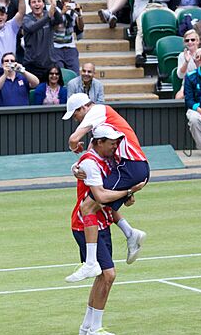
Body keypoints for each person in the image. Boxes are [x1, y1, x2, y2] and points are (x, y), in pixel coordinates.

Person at [69, 125, 145, 335]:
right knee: (109, 275)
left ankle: (87, 326)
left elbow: (113, 197)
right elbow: (101, 197)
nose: (115, 145)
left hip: (103, 223)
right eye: (111, 142)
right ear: (98, 142)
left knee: (102, 276)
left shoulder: (109, 159)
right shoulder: (91, 163)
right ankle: (95, 331)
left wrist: (126, 196)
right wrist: (130, 191)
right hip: (85, 225)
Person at [62, 93, 150, 281]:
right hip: (129, 166)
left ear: (83, 108)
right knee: (103, 202)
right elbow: (95, 158)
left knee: (88, 206)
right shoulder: (102, 127)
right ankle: (130, 233)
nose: (76, 119)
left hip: (131, 166)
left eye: (75, 115)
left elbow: (73, 138)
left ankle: (91, 263)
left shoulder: (98, 111)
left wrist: (74, 147)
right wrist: (76, 167)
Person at [23, 0, 63, 82]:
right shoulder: (26, 18)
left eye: (39, 1)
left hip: (49, 64)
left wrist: (54, 9)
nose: (37, 4)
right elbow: (32, 27)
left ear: (43, 4)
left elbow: (60, 20)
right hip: (32, 65)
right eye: (33, 2)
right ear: (30, 6)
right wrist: (48, 16)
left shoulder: (48, 15)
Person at [132, 0, 171, 67]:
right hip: (144, 8)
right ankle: (139, 54)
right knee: (141, 29)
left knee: (176, 18)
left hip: (161, 7)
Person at [53, 0, 84, 74]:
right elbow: (52, 26)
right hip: (56, 47)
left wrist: (79, 15)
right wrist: (62, 12)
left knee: (75, 74)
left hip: (70, 46)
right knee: (60, 74)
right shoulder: (54, 7)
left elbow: (80, 28)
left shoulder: (75, 7)